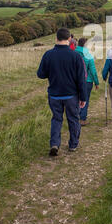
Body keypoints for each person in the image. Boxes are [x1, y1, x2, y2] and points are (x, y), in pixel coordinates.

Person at [37, 27, 87, 156]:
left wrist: (52, 72)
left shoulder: (48, 54)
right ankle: (73, 144)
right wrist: (83, 97)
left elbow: (41, 74)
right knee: (73, 119)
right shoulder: (75, 56)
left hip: (54, 94)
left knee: (56, 119)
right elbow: (81, 79)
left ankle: (54, 144)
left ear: (56, 38)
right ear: (69, 39)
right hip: (71, 95)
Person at [75, 38, 99, 126]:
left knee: (76, 99)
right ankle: (82, 119)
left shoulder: (73, 53)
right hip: (87, 81)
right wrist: (96, 82)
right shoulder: (88, 55)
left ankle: (75, 117)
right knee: (85, 99)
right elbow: (93, 71)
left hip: (74, 81)